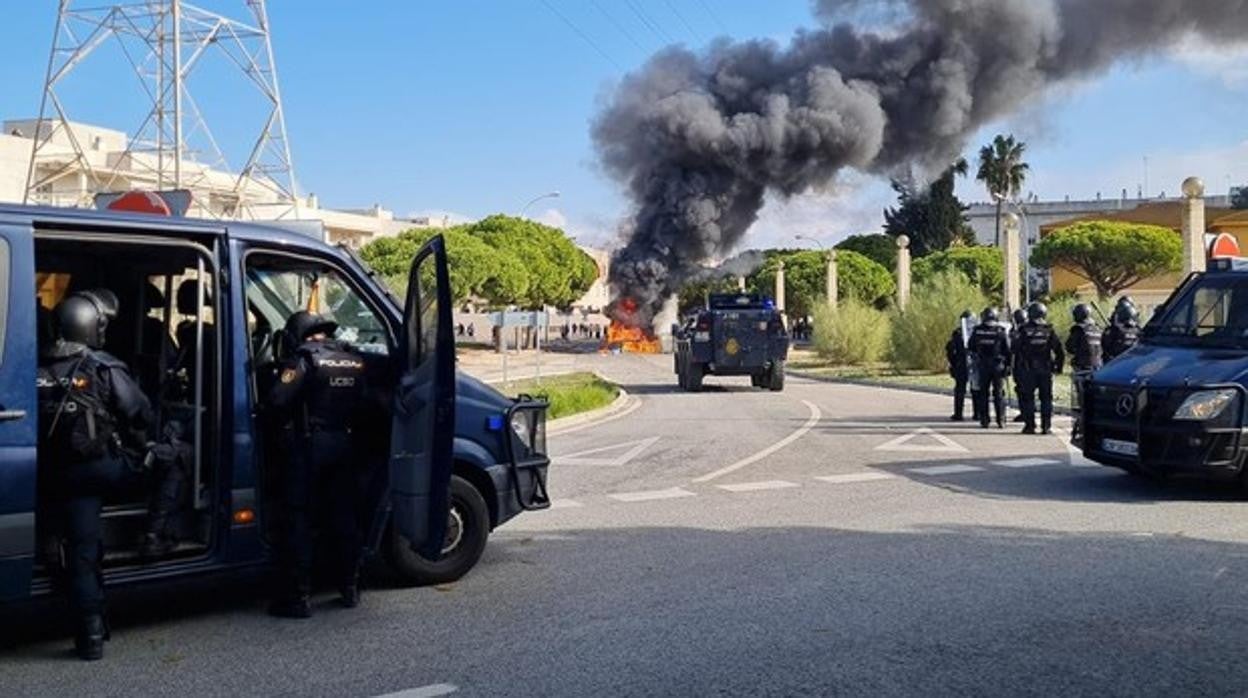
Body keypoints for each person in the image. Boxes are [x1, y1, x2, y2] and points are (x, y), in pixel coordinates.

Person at [37, 290, 153, 660]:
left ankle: (91, 636)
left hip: (58, 477)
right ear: (93, 327)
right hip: (102, 471)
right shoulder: (103, 366)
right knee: (172, 458)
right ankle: (159, 531)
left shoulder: (35, 367)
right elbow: (141, 413)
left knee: (83, 552)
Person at [266, 311, 373, 618]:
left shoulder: (303, 358)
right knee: (344, 517)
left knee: (298, 517)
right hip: (345, 444)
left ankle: (297, 599)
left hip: (309, 446)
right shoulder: (352, 358)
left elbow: (276, 401)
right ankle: (350, 589)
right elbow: (365, 402)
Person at [1015, 302, 1065, 435]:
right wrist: (1058, 367)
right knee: (1046, 398)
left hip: (1028, 369)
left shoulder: (1023, 329)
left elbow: (1015, 348)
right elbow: (1059, 351)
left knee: (1028, 398)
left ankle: (1030, 426)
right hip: (1045, 369)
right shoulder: (1049, 329)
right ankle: (1046, 426)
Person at [970, 307, 1011, 429]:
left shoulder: (977, 331)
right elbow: (1008, 350)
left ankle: (984, 420)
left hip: (983, 366)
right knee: (998, 393)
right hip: (998, 366)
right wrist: (1008, 366)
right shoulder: (1000, 331)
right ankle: (1001, 420)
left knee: (983, 394)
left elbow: (970, 346)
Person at [945, 310, 976, 422]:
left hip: (963, 364)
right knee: (974, 389)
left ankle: (959, 414)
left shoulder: (958, 333)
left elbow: (950, 350)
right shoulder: (975, 331)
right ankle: (976, 414)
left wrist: (953, 363)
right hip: (972, 364)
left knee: (962, 389)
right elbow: (950, 349)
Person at [1065, 304, 1103, 373]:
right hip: (1098, 366)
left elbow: (1069, 347)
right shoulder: (1098, 329)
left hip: (1083, 367)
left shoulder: (1079, 329)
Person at [1009, 308, 1028, 423]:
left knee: (1023, 390)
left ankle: (1025, 413)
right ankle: (1024, 413)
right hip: (1021, 364)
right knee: (1021, 389)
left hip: (1022, 364)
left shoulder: (1021, 330)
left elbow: (1013, 348)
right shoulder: (1015, 329)